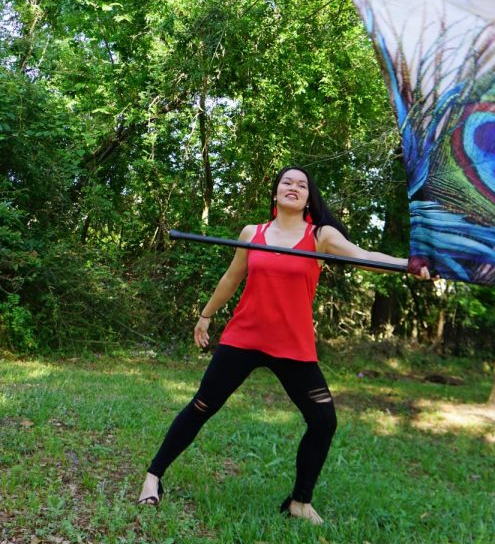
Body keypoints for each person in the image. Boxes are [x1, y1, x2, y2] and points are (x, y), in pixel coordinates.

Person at [138, 166, 430, 523]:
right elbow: (231, 278)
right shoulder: (253, 232)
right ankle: (152, 477)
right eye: (287, 182)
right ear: (275, 193)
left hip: (292, 345)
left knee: (323, 420)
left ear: (309, 197)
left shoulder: (321, 236)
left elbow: (363, 256)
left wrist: (408, 264)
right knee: (202, 405)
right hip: (244, 337)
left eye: (302, 184)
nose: (294, 187)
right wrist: (205, 315)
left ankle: (300, 502)